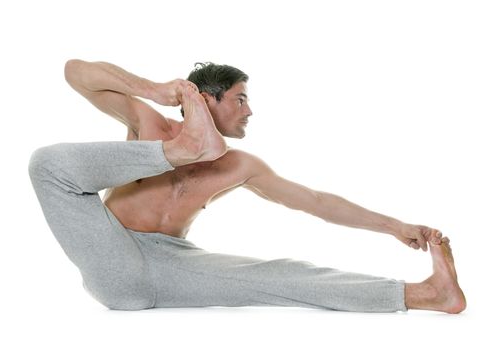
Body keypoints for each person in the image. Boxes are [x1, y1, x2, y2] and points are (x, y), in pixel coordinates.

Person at [28, 59, 466, 313]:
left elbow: (316, 202)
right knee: (48, 165)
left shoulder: (240, 166)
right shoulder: (146, 121)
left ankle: (428, 295)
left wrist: (395, 226)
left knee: (283, 274)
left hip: (172, 267)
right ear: (205, 100)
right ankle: (185, 149)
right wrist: (157, 90)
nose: (250, 111)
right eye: (240, 99)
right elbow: (75, 72)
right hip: (113, 257)